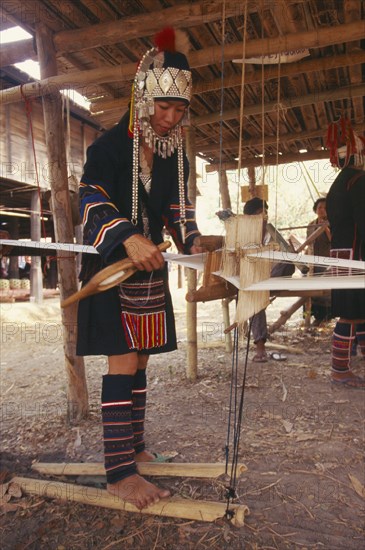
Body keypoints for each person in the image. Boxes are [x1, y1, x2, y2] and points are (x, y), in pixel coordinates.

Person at [77, 27, 201, 509]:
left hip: (150, 272)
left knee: (143, 357)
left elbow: (178, 208)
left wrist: (193, 238)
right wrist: (126, 236)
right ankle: (120, 473)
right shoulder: (107, 148)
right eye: (162, 108)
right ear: (143, 97)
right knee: (123, 360)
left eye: (179, 110)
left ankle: (135, 447)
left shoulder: (174, 153)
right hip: (113, 269)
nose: (170, 119)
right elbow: (90, 198)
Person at [326, 123, 365, 389]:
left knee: (359, 312)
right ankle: (339, 370)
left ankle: (342, 367)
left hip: (341, 255)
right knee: (351, 314)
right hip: (357, 255)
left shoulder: (337, 185)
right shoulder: (359, 181)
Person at [243, 197, 294, 362]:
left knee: (288, 262)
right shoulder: (244, 235)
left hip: (273, 277)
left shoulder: (272, 232)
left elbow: (289, 261)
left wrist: (290, 253)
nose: (264, 216)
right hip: (252, 281)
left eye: (265, 212)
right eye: (259, 213)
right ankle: (260, 349)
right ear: (250, 217)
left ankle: (263, 282)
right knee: (254, 297)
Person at [306, 198, 332, 324]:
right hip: (313, 262)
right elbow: (308, 242)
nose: (322, 210)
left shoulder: (333, 223)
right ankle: (315, 316)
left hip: (327, 261)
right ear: (315, 210)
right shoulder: (311, 225)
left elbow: (333, 240)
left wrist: (325, 228)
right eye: (319, 207)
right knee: (313, 290)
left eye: (325, 207)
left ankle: (326, 316)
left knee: (325, 290)